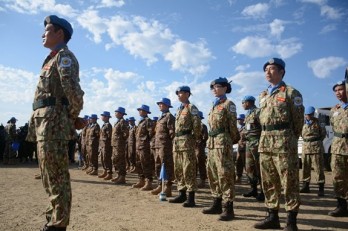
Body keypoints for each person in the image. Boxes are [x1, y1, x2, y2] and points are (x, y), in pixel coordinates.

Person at [26, 15, 84, 231]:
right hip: (45, 125)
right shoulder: (51, 59)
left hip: (54, 125)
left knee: (57, 178)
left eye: (48, 30)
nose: (43, 34)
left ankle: (58, 225)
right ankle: (53, 219)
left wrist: (70, 117)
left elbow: (73, 92)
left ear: (60, 34)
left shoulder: (64, 57)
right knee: (49, 177)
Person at [254, 58, 304, 231]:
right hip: (265, 141)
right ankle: (272, 216)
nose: (268, 72)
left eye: (272, 69)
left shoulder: (291, 92)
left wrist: (289, 138)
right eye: (266, 69)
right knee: (268, 181)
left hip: (284, 142)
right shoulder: (263, 95)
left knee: (289, 182)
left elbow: (298, 122)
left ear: (282, 71)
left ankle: (291, 221)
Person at [202, 78, 239, 221]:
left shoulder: (229, 104)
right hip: (211, 143)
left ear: (225, 88)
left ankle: (228, 208)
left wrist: (228, 141)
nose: (214, 89)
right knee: (212, 172)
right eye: (212, 87)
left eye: (217, 87)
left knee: (225, 174)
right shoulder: (213, 105)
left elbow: (233, 128)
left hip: (222, 142)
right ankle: (216, 203)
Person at [169, 86, 201, 207]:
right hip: (177, 143)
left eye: (180, 93)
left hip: (187, 141)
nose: (178, 95)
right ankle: (181, 194)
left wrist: (195, 138)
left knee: (189, 169)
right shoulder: (178, 109)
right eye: (177, 93)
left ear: (187, 94)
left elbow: (197, 124)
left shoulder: (191, 108)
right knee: (178, 169)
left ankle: (191, 197)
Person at [328, 80, 348, 217]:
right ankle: (341, 206)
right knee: (337, 177)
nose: (338, 93)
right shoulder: (335, 110)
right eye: (336, 91)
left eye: (341, 89)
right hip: (337, 147)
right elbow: (333, 127)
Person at [241, 95, 264, 202]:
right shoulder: (248, 114)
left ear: (248, 102)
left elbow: (263, 128)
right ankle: (253, 189)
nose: (242, 104)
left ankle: (263, 191)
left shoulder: (258, 112)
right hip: (249, 143)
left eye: (243, 102)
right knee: (249, 167)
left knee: (260, 167)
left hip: (257, 142)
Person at [151, 98, 175, 197]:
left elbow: (172, 133)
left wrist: (172, 146)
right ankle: (160, 185)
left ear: (167, 105)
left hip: (165, 146)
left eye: (162, 104)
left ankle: (167, 187)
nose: (160, 105)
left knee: (166, 166)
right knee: (158, 165)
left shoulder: (169, 117)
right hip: (158, 146)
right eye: (159, 104)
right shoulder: (160, 118)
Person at [300, 106, 326, 196]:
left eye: (310, 114)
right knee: (305, 167)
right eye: (307, 114)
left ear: (313, 114)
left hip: (316, 148)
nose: (308, 116)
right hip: (306, 147)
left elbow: (323, 134)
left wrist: (316, 142)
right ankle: (305, 186)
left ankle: (321, 188)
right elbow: (301, 134)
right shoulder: (302, 123)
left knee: (318, 168)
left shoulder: (318, 122)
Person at [132, 105, 154, 190]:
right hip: (138, 146)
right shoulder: (140, 121)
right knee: (138, 163)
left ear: (145, 112)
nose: (139, 111)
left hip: (145, 146)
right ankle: (141, 180)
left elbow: (151, 134)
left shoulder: (148, 121)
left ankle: (149, 182)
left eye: (141, 110)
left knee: (146, 164)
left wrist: (146, 142)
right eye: (139, 110)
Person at [111, 107, 129, 184]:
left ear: (121, 114)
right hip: (115, 145)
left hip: (119, 145)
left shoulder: (123, 122)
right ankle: (118, 175)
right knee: (115, 160)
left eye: (117, 112)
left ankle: (122, 177)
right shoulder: (117, 122)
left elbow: (126, 133)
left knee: (121, 160)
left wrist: (120, 140)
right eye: (115, 112)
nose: (115, 113)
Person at [98, 111, 113, 180]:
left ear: (107, 117)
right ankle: (105, 171)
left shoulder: (108, 125)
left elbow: (109, 136)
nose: (102, 117)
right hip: (102, 145)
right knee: (103, 159)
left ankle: (109, 173)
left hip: (106, 145)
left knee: (107, 159)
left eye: (103, 116)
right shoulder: (104, 125)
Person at [195, 111, 208, 188]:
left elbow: (205, 137)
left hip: (199, 147)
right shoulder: (193, 126)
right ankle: (194, 180)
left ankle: (202, 180)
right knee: (193, 164)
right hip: (192, 146)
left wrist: (200, 142)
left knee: (201, 163)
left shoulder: (203, 126)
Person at [235, 114, 246, 183]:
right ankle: (239, 177)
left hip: (246, 148)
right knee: (239, 163)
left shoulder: (247, 127)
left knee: (247, 164)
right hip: (240, 148)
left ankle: (251, 179)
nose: (238, 121)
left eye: (240, 119)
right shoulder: (239, 128)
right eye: (238, 120)